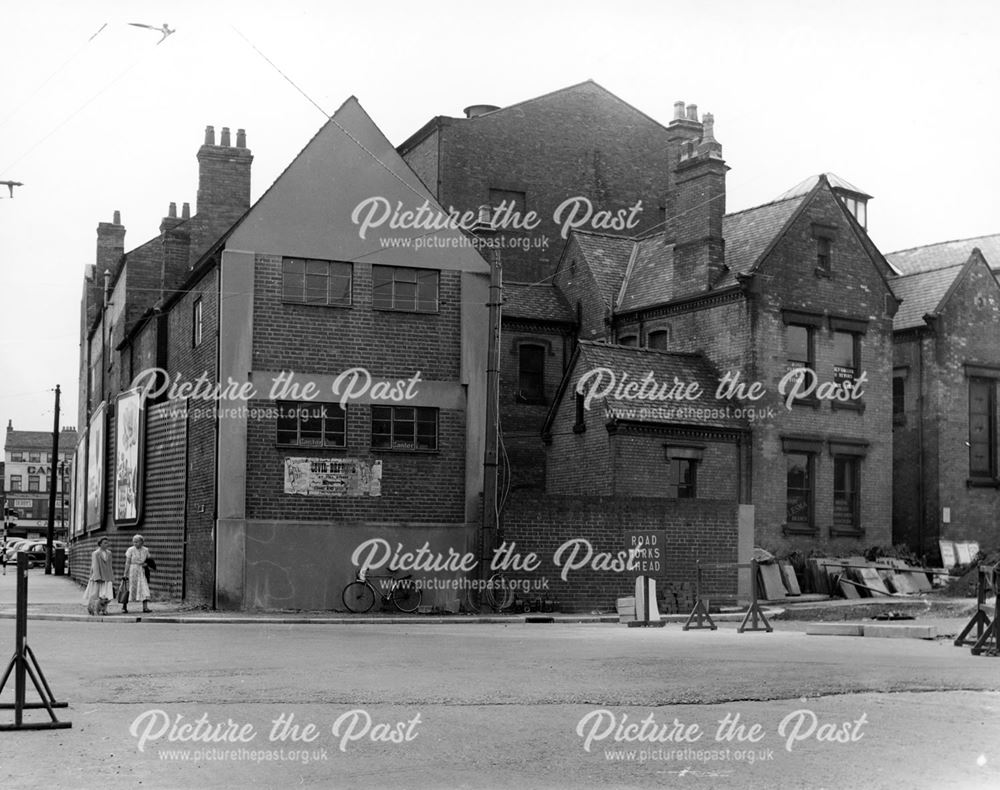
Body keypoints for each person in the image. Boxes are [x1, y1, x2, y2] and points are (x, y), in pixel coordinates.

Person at [82, 537, 114, 615]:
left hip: (107, 576)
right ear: (100, 544)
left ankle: (104, 609)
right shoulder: (96, 553)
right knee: (95, 594)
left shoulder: (109, 553)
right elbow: (95, 566)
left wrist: (111, 576)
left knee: (106, 595)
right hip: (98, 577)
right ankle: (91, 607)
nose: (107, 544)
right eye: (105, 543)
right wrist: (97, 577)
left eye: (107, 543)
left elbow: (110, 566)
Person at [122, 534, 152, 614]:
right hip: (132, 570)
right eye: (134, 542)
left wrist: (147, 564)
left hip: (141, 570)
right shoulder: (130, 550)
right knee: (128, 588)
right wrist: (125, 573)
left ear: (142, 542)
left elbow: (150, 560)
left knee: (143, 587)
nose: (135, 543)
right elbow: (127, 562)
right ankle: (124, 607)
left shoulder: (145, 550)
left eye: (137, 542)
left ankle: (145, 607)